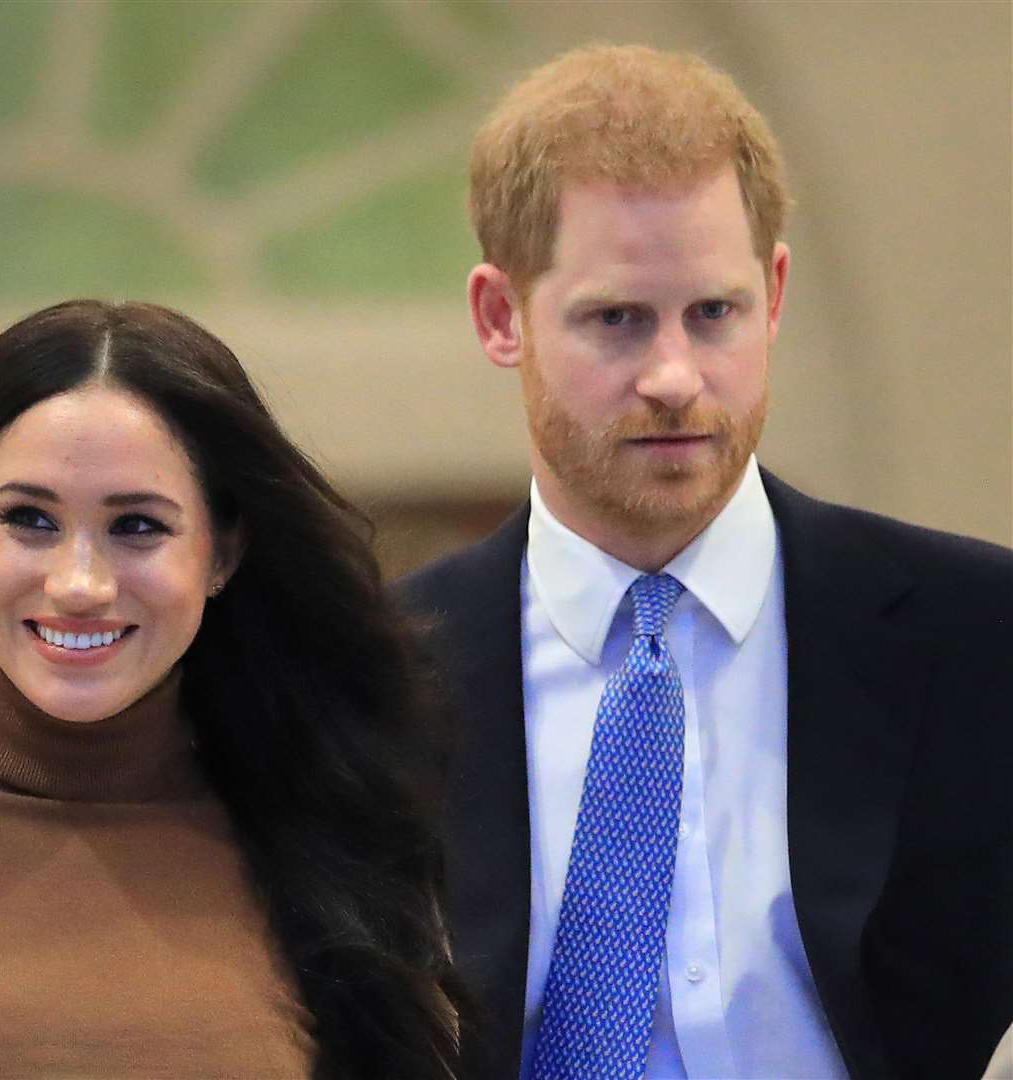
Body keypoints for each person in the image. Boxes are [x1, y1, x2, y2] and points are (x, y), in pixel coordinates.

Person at [400, 43, 1013, 1080]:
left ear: (772, 295)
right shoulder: (377, 667)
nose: (674, 376)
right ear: (500, 317)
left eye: (712, 313)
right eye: (616, 320)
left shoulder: (976, 636)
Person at [0, 300, 462, 1077]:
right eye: (29, 518)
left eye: (138, 526)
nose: (78, 583)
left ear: (222, 552)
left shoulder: (339, 859)